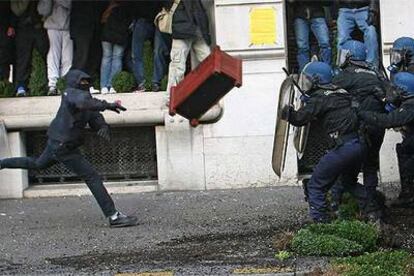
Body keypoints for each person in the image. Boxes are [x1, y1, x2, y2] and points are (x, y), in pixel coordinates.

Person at [0, 69, 137, 228]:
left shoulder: (85, 97)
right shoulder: (70, 93)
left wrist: (102, 126)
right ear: (74, 82)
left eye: (87, 81)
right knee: (92, 177)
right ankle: (113, 216)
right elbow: (83, 103)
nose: (85, 84)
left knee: (38, 163)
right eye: (82, 81)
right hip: (63, 146)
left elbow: (93, 114)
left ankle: (1, 163)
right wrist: (107, 105)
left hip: (58, 143)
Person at [281, 61, 366, 222]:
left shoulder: (319, 99)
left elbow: (299, 119)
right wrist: (311, 99)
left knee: (315, 185)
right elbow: (331, 104)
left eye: (307, 80)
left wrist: (288, 112)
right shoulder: (341, 91)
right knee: (349, 183)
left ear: (317, 80)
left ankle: (321, 223)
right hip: (359, 145)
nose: (305, 84)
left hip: (343, 149)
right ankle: (375, 210)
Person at [331, 39, 386, 220]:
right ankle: (373, 206)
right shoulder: (375, 72)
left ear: (348, 56)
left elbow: (329, 94)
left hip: (358, 130)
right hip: (378, 127)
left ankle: (337, 206)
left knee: (344, 169)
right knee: (370, 166)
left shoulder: (346, 75)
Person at [359, 72, 414, 208]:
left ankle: (409, 195)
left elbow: (388, 121)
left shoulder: (410, 106)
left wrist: (361, 113)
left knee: (406, 150)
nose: (391, 91)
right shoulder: (408, 100)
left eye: (394, 89)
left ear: (403, 90)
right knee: (406, 147)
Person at [164, 0, 211, 93]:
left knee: (209, 63)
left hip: (195, 29)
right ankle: (172, 98)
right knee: (178, 67)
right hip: (182, 29)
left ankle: (210, 93)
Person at [11, 0, 49, 97]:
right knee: (23, 59)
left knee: (48, 55)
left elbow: (45, 9)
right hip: (23, 27)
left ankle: (51, 84)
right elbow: (17, 10)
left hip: (39, 26)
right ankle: (21, 86)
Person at [70, 0, 106, 94]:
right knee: (82, 57)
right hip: (81, 28)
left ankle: (86, 85)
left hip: (92, 28)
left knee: (91, 57)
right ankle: (76, 84)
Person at [38, 0, 72, 96]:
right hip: (52, 25)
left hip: (68, 25)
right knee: (53, 55)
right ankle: (53, 84)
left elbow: (70, 4)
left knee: (68, 56)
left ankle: (65, 83)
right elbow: (42, 10)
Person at [288, 0, 332, 72]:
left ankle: (327, 71)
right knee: (302, 47)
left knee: (325, 43)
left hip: (316, 14)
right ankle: (304, 73)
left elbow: (329, 2)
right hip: (301, 14)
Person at [335, 0, 379, 69]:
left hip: (363, 8)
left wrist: (373, 10)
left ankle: (372, 66)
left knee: (371, 32)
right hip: (344, 8)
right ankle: (341, 66)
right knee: (342, 38)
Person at [100, 0, 132, 94]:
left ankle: (103, 86)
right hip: (120, 36)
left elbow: (102, 20)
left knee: (106, 58)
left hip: (107, 35)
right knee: (117, 58)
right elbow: (130, 24)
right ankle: (113, 85)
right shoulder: (127, 7)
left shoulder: (109, 6)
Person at [0, 1, 15, 82]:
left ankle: (4, 83)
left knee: (4, 59)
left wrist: (11, 25)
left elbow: (11, 10)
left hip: (4, 30)